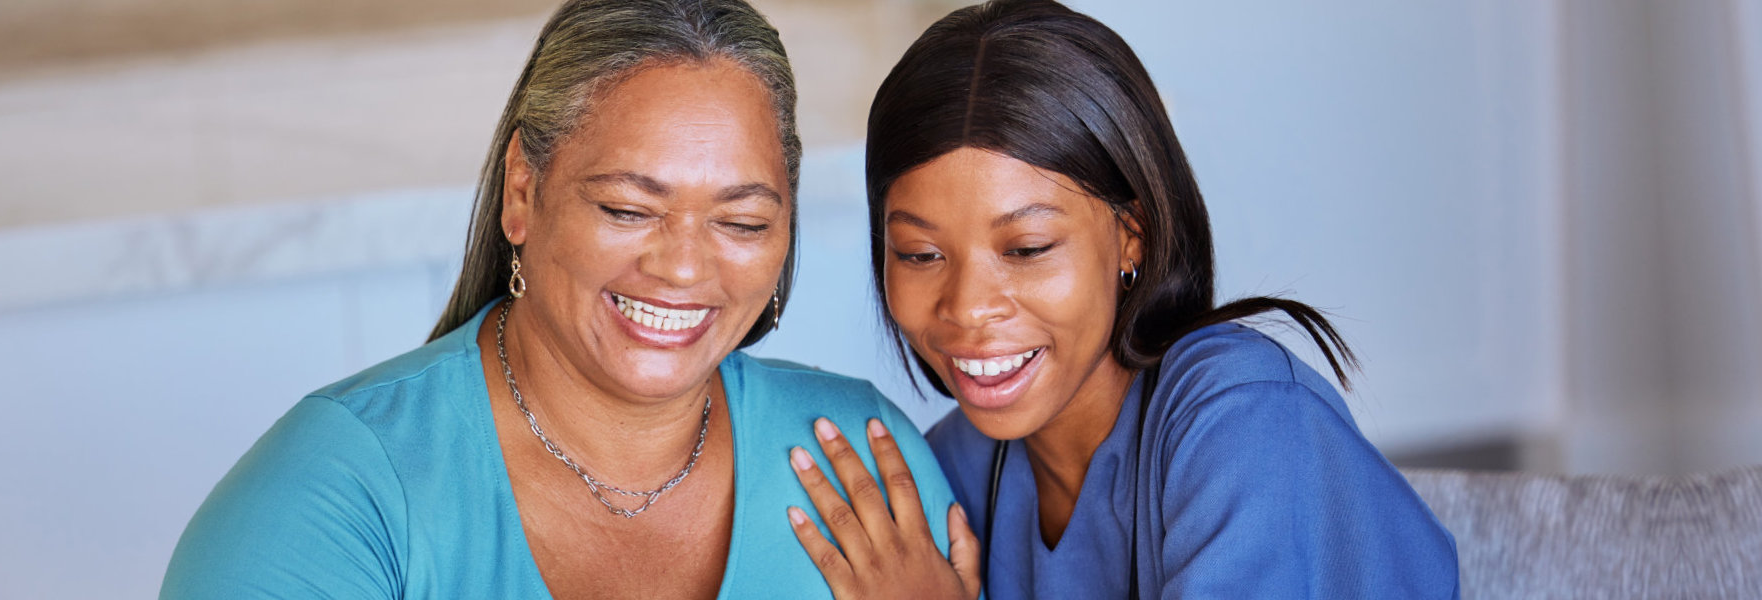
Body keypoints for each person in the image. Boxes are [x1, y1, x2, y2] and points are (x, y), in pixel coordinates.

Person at [160, 1, 960, 597]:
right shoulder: (333, 494)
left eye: (741, 220)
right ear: (522, 191)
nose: (684, 266)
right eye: (627, 209)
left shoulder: (860, 459)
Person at [785, 1, 1460, 597]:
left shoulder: (1246, 420)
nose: (967, 307)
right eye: (921, 255)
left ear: (1131, 236)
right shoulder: (956, 469)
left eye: (1026, 249)